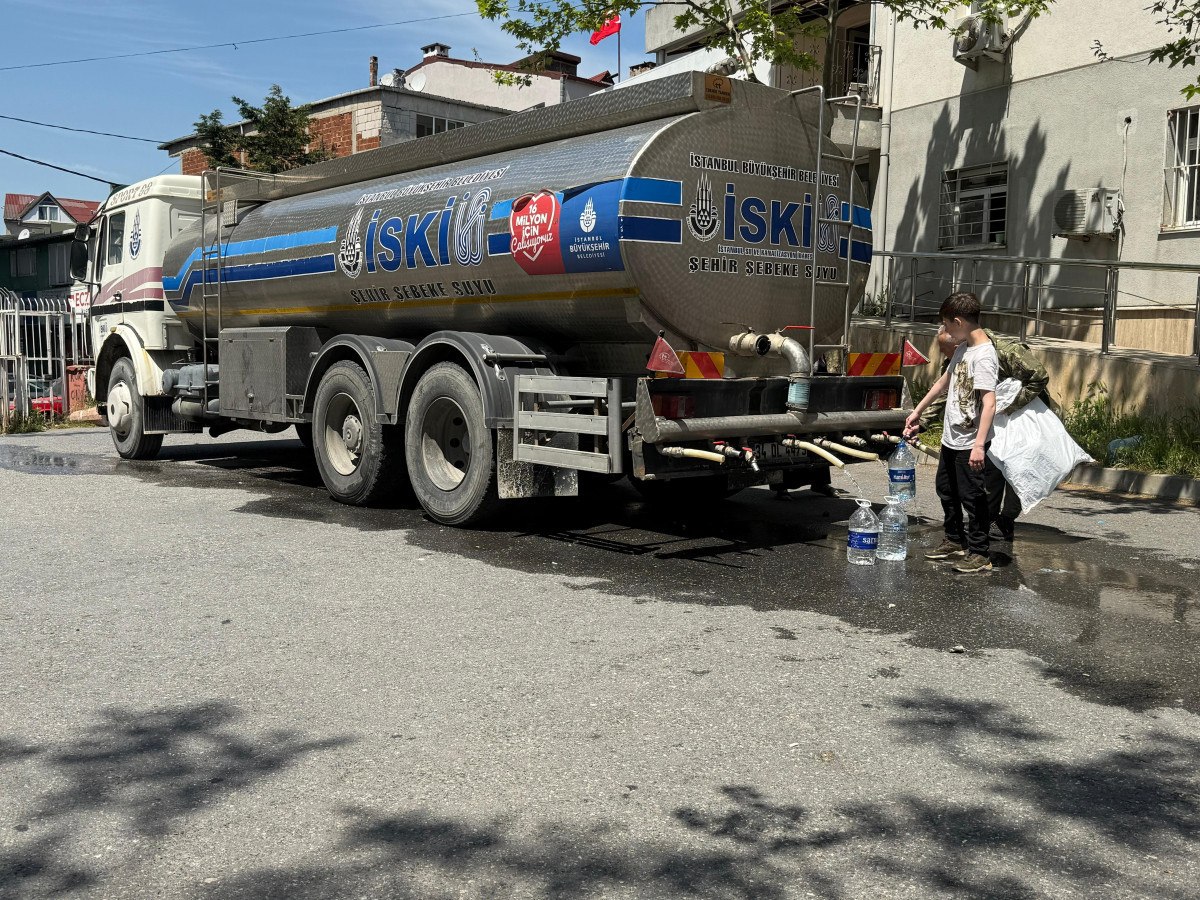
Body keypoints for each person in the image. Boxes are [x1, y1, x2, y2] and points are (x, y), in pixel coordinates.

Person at [921, 325, 1050, 541]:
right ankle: (988, 520)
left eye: (945, 349)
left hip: (1022, 416)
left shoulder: (1005, 351)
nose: (943, 354)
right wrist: (923, 421)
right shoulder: (960, 354)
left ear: (958, 341)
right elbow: (949, 388)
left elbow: (1039, 377)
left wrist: (1008, 406)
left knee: (1016, 469)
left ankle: (1006, 519)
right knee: (991, 468)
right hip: (992, 416)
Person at [904, 292, 1000, 573]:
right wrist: (917, 411)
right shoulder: (963, 349)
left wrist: (979, 445)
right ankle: (955, 539)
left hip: (971, 441)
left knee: (972, 497)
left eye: (946, 325)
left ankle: (980, 553)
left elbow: (989, 403)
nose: (945, 330)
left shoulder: (984, 355)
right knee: (946, 490)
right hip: (951, 437)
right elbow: (943, 382)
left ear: (958, 322)